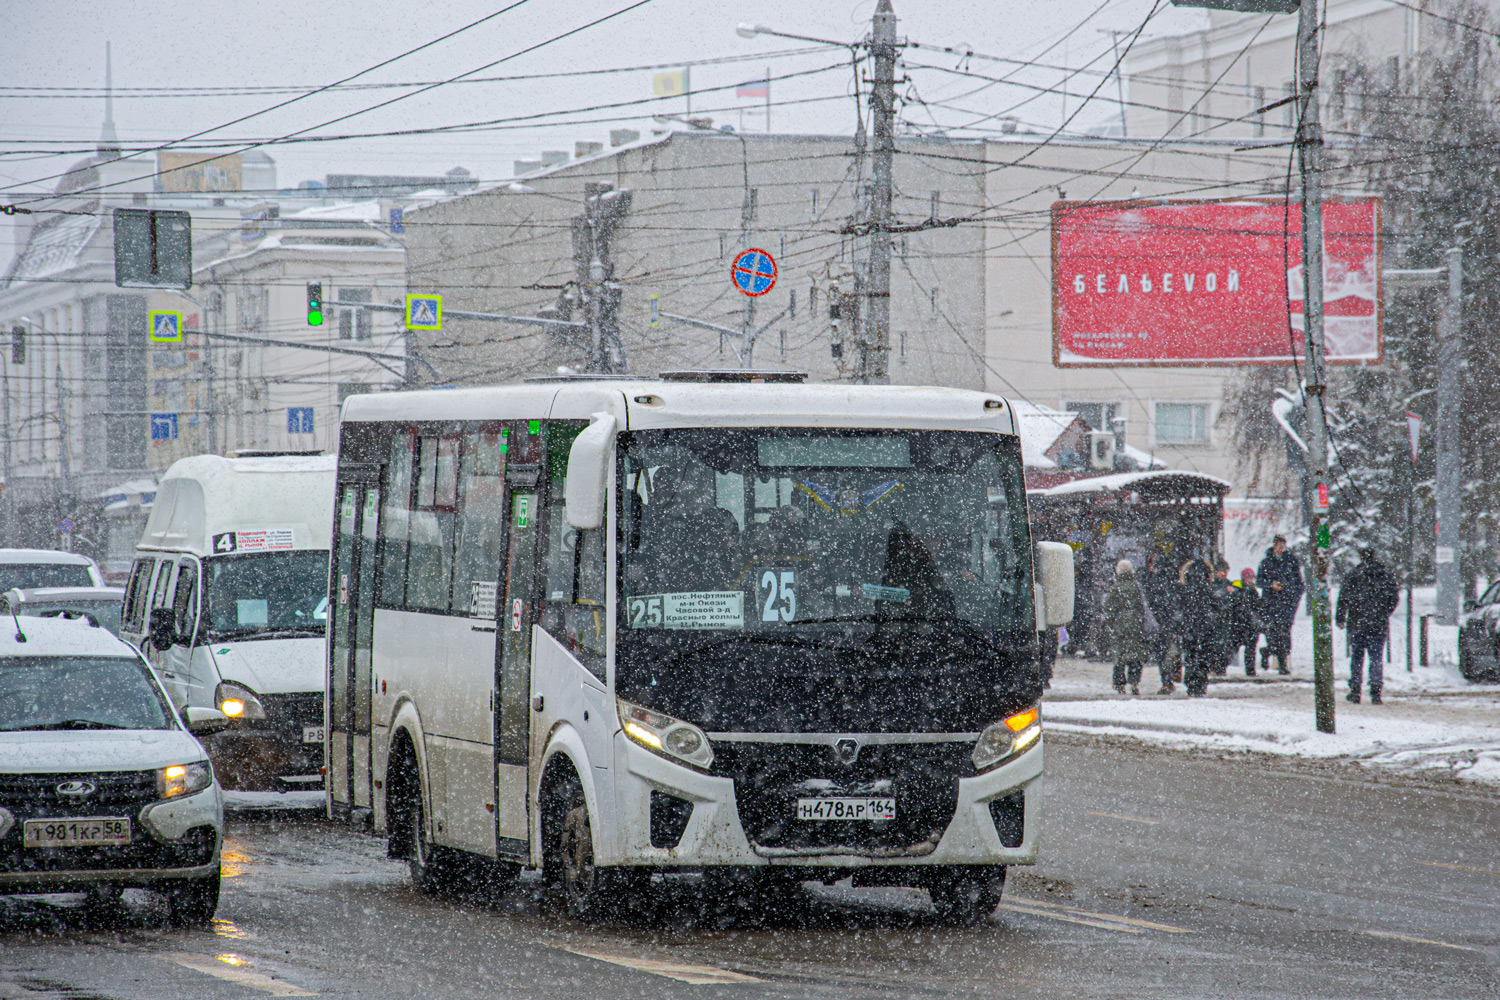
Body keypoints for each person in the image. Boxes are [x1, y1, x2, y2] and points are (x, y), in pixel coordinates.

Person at [1335, 550, 1400, 704]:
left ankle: (1356, 690)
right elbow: (1394, 598)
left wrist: (1341, 617)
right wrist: (1384, 612)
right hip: (1378, 623)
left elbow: (1343, 598)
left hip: (1357, 622)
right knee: (1376, 658)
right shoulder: (1384, 576)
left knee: (1357, 657)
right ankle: (1376, 691)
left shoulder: (1353, 575)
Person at [1257, 535, 1304, 675]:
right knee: (1273, 634)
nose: (1280, 548)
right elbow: (1259, 581)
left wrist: (1292, 595)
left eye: (1282, 545)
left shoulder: (1291, 562)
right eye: (1278, 545)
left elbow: (1299, 583)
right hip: (1271, 604)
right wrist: (1271, 585)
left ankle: (1282, 663)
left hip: (1287, 604)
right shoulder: (1266, 562)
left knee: (1284, 634)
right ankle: (1269, 651)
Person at [1103, 559, 1149, 695]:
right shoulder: (1135, 586)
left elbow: (1109, 607)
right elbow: (1141, 607)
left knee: (1119, 657)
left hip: (1120, 625)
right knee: (1135, 655)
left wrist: (1112, 623)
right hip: (1134, 625)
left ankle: (1119, 683)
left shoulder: (1115, 587)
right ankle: (1134, 682)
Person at [1177, 554, 1219, 697]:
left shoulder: (1185, 590)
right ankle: (1200, 681)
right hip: (1206, 628)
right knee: (1204, 657)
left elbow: (1178, 609)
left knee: (1190, 656)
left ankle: (1191, 681)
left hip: (1190, 627)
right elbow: (1217, 607)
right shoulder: (1208, 590)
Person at [1142, 551, 1178, 694]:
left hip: (1159, 622)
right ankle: (1168, 679)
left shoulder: (1154, 581)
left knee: (1163, 653)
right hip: (1164, 622)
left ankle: (1167, 679)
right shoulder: (1167, 581)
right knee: (1166, 652)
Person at [1227, 568, 1264, 676]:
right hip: (1238, 623)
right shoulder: (1236, 586)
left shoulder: (1252, 590)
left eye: (1251, 577)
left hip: (1250, 624)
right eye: (1248, 577)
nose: (1250, 579)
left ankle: (1250, 670)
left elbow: (1256, 606)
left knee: (1251, 648)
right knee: (1233, 648)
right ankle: (1221, 666)